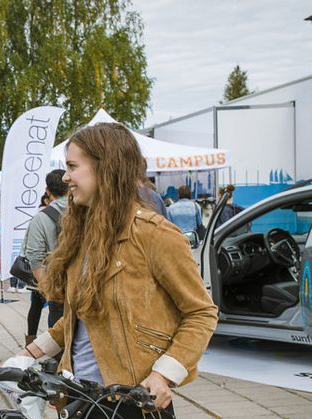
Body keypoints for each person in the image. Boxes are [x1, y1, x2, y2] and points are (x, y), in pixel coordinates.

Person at [18, 123, 218, 418]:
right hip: (79, 399)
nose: (65, 177)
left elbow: (201, 313)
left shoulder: (155, 235)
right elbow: (78, 318)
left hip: (133, 404)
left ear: (105, 168)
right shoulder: (83, 235)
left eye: (73, 166)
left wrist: (163, 375)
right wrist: (27, 355)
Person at [23, 169, 67, 346]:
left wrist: (49, 291)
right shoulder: (88, 209)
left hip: (57, 290)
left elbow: (34, 257)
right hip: (88, 293)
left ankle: (31, 343)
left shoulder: (41, 218)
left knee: (59, 346)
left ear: (48, 190)